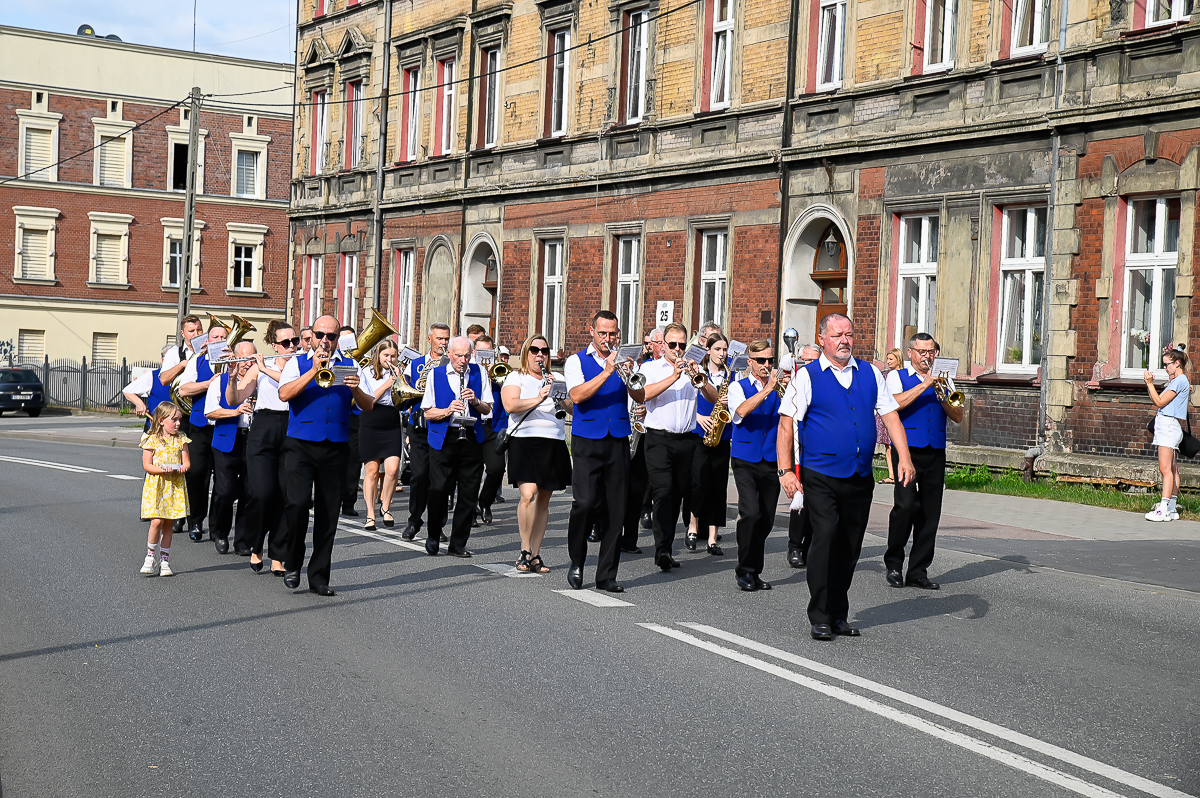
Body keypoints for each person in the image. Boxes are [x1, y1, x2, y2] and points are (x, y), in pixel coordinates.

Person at [777, 313, 915, 640]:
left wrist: (905, 458)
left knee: (850, 546)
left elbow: (890, 416)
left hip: (859, 475)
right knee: (825, 537)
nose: (844, 341)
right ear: (822, 339)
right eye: (837, 335)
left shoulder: (870, 373)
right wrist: (785, 471)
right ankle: (820, 615)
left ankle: (839, 613)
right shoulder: (807, 376)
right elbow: (785, 425)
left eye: (849, 334)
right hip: (820, 474)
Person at [278, 314, 376, 596]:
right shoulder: (297, 362)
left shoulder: (350, 365)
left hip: (335, 445)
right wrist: (313, 370)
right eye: (320, 335)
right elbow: (284, 394)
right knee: (297, 505)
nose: (325, 341)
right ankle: (292, 561)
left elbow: (368, 405)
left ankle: (319, 577)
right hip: (301, 443)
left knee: (328, 513)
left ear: (337, 339)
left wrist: (355, 387)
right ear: (311, 336)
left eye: (331, 336)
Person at [564, 310, 646, 592]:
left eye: (612, 334)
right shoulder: (576, 361)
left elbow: (640, 395)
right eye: (602, 333)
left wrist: (629, 373)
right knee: (585, 503)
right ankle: (577, 561)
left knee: (616, 508)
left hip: (618, 438)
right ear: (592, 332)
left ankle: (607, 575)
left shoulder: (624, 361)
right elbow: (577, 396)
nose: (607, 339)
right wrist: (608, 371)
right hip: (587, 438)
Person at [884, 333, 964, 589]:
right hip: (906, 451)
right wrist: (925, 384)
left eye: (931, 352)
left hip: (935, 450)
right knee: (905, 507)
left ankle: (918, 570)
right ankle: (894, 564)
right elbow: (892, 405)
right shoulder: (897, 376)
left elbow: (958, 416)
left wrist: (942, 394)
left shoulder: (945, 379)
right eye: (922, 351)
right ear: (910, 353)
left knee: (930, 513)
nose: (927, 356)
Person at [639, 322, 719, 572]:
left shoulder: (694, 369)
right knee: (663, 491)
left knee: (677, 495)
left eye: (682, 345)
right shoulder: (650, 367)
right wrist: (673, 376)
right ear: (663, 345)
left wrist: (699, 379)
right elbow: (643, 394)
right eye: (672, 344)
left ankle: (667, 546)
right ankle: (662, 549)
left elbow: (714, 398)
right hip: (658, 439)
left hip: (686, 440)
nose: (677, 349)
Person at [502, 335, 573, 573]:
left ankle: (536, 554)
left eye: (544, 350)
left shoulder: (558, 378)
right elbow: (511, 405)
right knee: (528, 494)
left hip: (552, 440)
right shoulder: (516, 376)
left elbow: (573, 409)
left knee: (543, 499)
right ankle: (524, 549)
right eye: (534, 350)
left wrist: (559, 394)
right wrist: (539, 397)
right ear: (526, 352)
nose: (540, 354)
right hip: (524, 440)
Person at [421, 336, 493, 557]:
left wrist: (475, 401)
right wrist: (447, 410)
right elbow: (427, 412)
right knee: (439, 489)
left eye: (467, 356)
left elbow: (488, 408)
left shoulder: (479, 372)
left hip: (471, 436)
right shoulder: (435, 374)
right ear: (450, 354)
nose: (463, 360)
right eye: (459, 356)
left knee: (469, 492)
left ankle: (458, 544)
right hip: (444, 438)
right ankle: (434, 534)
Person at [728, 339, 788, 591]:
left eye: (770, 360)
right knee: (750, 513)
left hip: (771, 458)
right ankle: (743, 570)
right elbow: (741, 412)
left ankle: (755, 570)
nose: (767, 365)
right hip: (745, 458)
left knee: (766, 519)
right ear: (750, 362)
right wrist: (768, 389)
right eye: (761, 360)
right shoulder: (737, 386)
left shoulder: (780, 388)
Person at [243, 321, 297, 575]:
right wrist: (232, 377)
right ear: (275, 345)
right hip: (264, 426)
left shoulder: (302, 366)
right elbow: (236, 396)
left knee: (287, 496)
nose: (292, 346)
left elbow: (291, 388)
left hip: (292, 427)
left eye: (295, 341)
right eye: (286, 343)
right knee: (263, 493)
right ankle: (256, 544)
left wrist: (265, 369)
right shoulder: (260, 367)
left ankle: (278, 554)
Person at [178, 319, 230, 541]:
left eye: (223, 337)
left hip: (225, 426)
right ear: (207, 340)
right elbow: (183, 389)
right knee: (197, 475)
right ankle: (196, 521)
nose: (219, 340)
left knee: (223, 479)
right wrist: (209, 384)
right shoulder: (197, 360)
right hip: (200, 426)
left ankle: (217, 527)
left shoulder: (233, 361)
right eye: (215, 337)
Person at [204, 340, 256, 555]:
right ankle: (221, 532)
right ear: (235, 358)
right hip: (226, 441)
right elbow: (210, 412)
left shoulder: (260, 380)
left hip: (253, 441)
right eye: (243, 359)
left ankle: (242, 541)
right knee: (224, 491)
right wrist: (235, 411)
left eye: (251, 359)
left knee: (249, 492)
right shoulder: (220, 381)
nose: (247, 364)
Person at [401, 322, 450, 541]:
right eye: (440, 338)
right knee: (419, 475)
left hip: (442, 425)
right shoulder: (416, 364)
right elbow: (405, 392)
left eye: (446, 339)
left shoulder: (452, 364)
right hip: (420, 425)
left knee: (440, 480)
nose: (443, 343)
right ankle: (414, 520)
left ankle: (437, 526)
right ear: (429, 339)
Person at [687, 333, 731, 555]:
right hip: (700, 433)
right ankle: (693, 525)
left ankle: (713, 538)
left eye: (724, 349)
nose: (722, 354)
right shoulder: (698, 373)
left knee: (718, 487)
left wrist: (731, 400)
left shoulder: (731, 375)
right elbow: (686, 402)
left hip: (721, 435)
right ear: (709, 351)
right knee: (699, 483)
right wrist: (698, 417)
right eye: (718, 349)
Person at [356, 341, 404, 531]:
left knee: (392, 469)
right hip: (371, 419)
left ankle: (386, 506)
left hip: (391, 420)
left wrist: (401, 381)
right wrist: (387, 384)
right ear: (379, 355)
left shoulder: (398, 372)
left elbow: (403, 400)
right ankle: (370, 515)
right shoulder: (367, 372)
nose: (389, 359)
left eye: (393, 356)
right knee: (372, 471)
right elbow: (368, 399)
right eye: (386, 356)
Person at [139, 402, 190, 578]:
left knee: (169, 523)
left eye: (179, 420)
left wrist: (182, 468)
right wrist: (162, 470)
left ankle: (165, 560)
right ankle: (150, 556)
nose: (178, 423)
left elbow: (187, 462)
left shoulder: (181, 439)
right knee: (156, 521)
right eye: (174, 419)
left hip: (174, 486)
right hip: (157, 486)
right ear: (161, 420)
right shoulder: (151, 439)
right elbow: (147, 465)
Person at [1145, 345, 1191, 522]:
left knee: (1165, 469)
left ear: (1177, 363)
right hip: (1170, 426)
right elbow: (1158, 400)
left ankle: (1163, 509)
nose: (1165, 368)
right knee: (1172, 468)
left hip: (1168, 426)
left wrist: (1149, 383)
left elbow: (1159, 402)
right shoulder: (1179, 380)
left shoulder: (1179, 381)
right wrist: (1150, 385)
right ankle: (1171, 507)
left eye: (1167, 364)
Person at [786, 343, 821, 568]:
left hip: (820, 449)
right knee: (801, 498)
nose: (808, 365)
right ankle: (795, 546)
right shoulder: (795, 381)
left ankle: (811, 546)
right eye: (805, 360)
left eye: (813, 361)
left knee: (817, 501)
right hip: (799, 448)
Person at [474, 335, 507, 524]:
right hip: (474, 425)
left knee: (497, 468)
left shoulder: (499, 371)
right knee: (473, 471)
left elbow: (509, 392)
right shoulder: (469, 371)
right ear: (474, 352)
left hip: (494, 425)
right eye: (481, 352)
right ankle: (471, 509)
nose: (485, 356)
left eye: (488, 352)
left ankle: (485, 502)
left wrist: (494, 376)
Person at [122, 345, 177, 426]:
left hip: (181, 427)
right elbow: (128, 391)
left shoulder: (187, 376)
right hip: (155, 428)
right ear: (163, 360)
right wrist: (139, 404)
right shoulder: (152, 376)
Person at [339, 324, 362, 516]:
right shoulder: (333, 359)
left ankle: (349, 502)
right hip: (337, 414)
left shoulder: (360, 362)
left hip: (355, 417)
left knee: (354, 462)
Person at [877, 348, 904, 484]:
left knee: (897, 444)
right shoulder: (884, 374)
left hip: (897, 414)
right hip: (883, 413)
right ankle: (891, 474)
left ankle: (900, 472)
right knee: (887, 445)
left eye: (891, 359)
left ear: (898, 359)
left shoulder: (903, 375)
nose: (888, 362)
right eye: (887, 359)